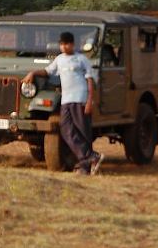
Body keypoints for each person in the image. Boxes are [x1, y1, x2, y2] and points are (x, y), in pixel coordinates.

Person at [22, 31, 104, 175]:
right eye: (61, 44)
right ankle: (90, 156)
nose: (63, 47)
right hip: (66, 100)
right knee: (66, 130)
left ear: (72, 44)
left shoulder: (81, 59)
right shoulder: (59, 60)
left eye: (66, 44)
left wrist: (90, 100)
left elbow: (90, 80)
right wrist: (33, 73)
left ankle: (85, 167)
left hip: (80, 99)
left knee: (83, 132)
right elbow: (48, 71)